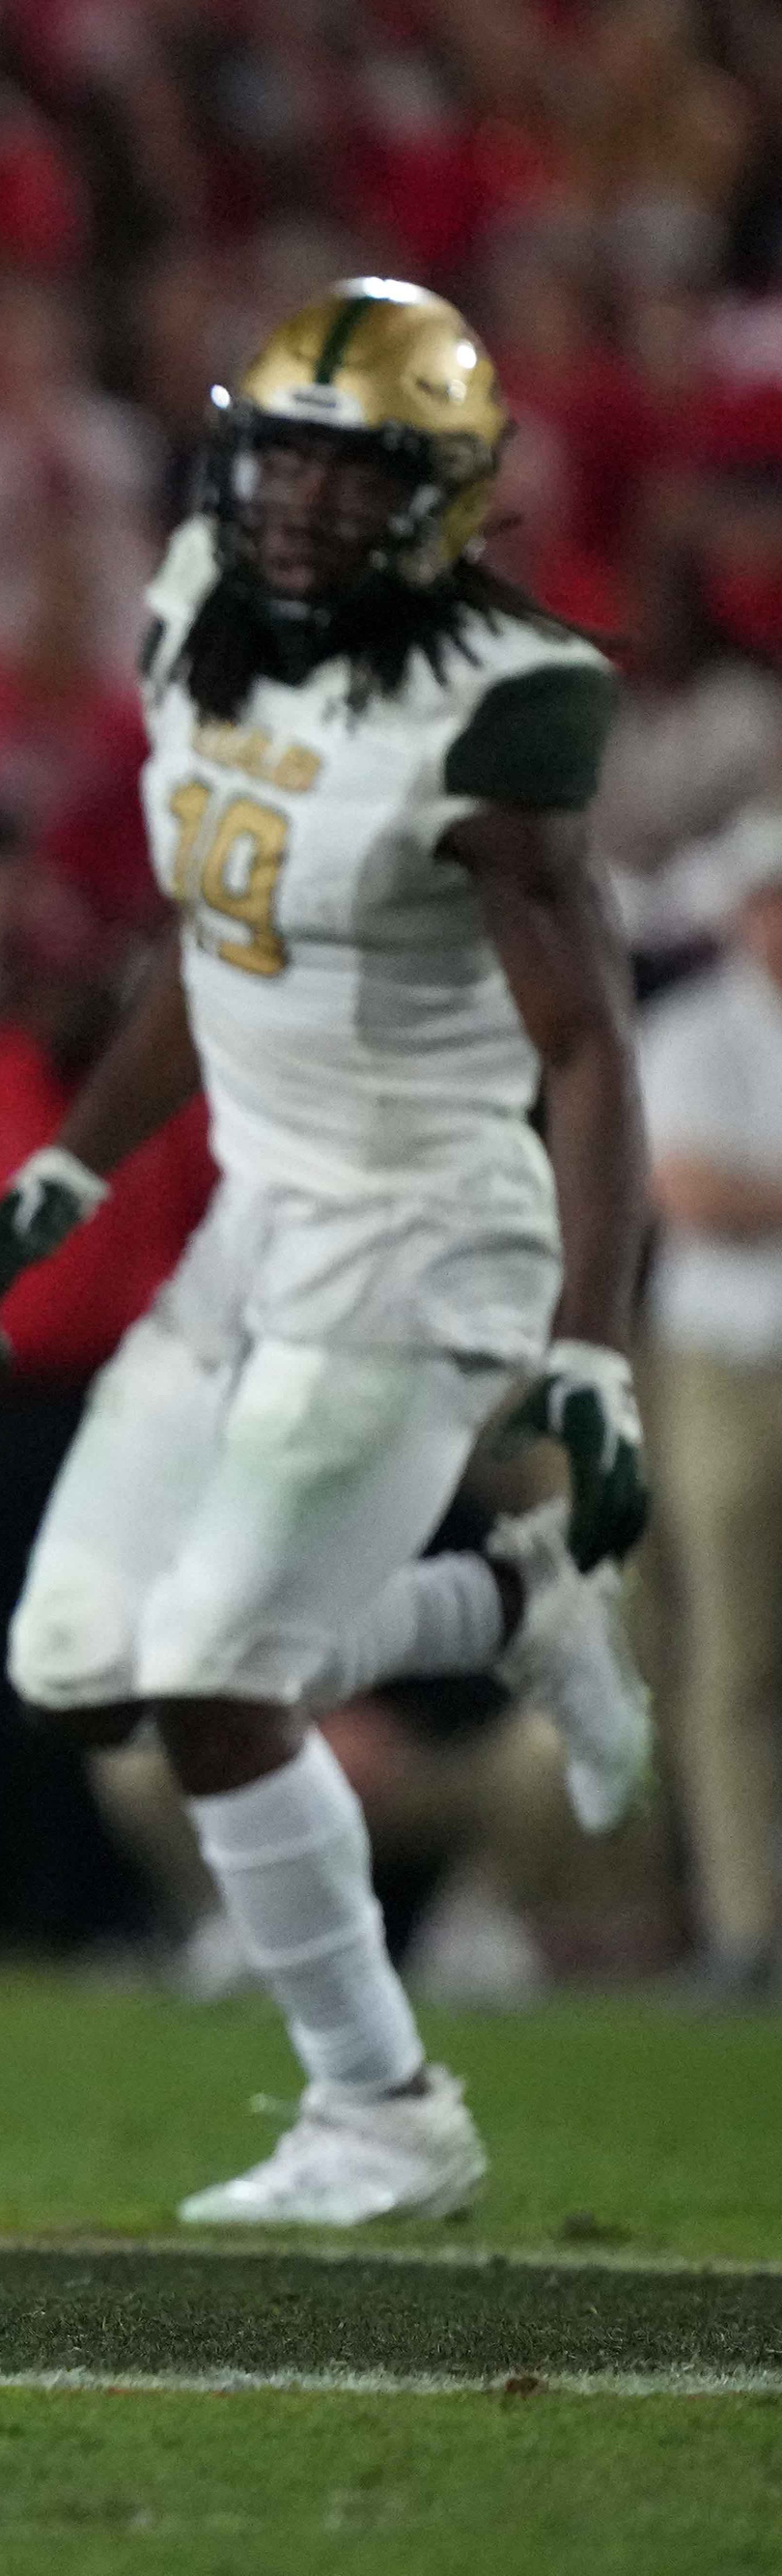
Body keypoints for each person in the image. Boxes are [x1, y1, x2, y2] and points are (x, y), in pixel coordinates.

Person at [0, 280, 657, 2225]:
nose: (295, 504)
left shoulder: (500, 704)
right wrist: (77, 1162)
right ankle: (505, 1604)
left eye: (351, 474)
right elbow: (218, 930)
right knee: (76, 1667)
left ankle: (383, 2105)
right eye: (278, 459)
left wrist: (588, 1348)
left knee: (212, 1672)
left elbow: (589, 1046)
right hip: (254, 1217)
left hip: (423, 1230)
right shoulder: (196, 603)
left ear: (439, 496)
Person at [636, 822, 782, 1999]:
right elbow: (689, 1192)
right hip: (724, 1362)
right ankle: (742, 1924)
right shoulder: (691, 1032)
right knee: (733, 1652)